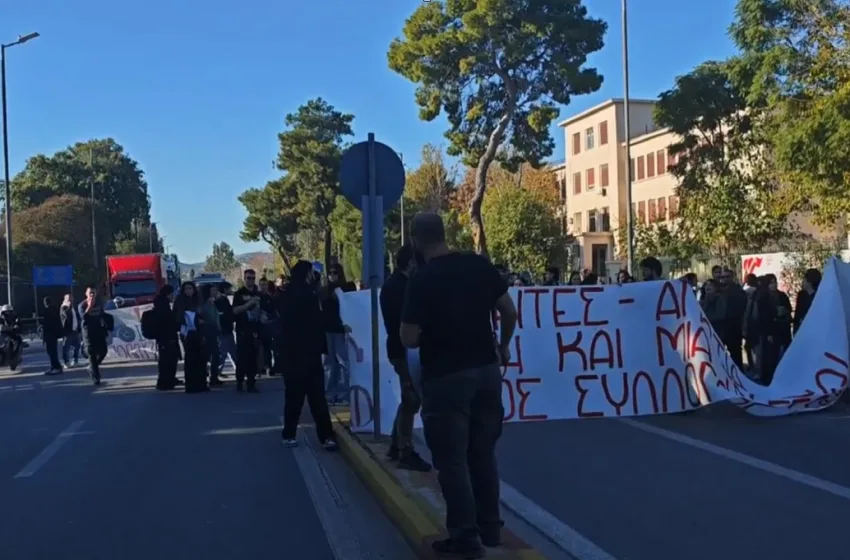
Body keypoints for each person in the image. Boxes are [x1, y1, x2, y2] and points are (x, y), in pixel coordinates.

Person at [401, 212, 518, 558]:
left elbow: (409, 338)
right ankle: (491, 529)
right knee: (483, 454)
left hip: (446, 378)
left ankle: (466, 539)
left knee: (452, 462)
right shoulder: (478, 266)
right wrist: (503, 346)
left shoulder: (421, 281)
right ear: (445, 234)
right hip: (486, 371)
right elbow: (509, 312)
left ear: (416, 243)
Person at [380, 244, 431, 472]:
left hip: (399, 349)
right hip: (403, 350)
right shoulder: (401, 288)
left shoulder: (394, 285)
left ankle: (396, 444)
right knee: (411, 399)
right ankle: (405, 450)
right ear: (411, 264)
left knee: (409, 397)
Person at [279, 260, 337, 450]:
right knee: (317, 398)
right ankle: (326, 436)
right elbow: (318, 320)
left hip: (291, 354)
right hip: (309, 353)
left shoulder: (287, 293)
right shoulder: (310, 294)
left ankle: (289, 434)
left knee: (294, 396)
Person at [320, 263, 356, 404]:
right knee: (329, 364)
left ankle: (344, 394)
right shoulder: (323, 291)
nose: (332, 275)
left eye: (335, 273)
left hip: (342, 330)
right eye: (330, 273)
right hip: (328, 330)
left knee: (344, 363)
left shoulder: (347, 288)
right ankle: (330, 394)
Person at [231, 269, 266, 392]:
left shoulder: (258, 293)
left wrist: (263, 316)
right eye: (248, 278)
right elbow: (234, 310)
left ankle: (251, 382)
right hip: (242, 329)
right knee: (242, 357)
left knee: (253, 357)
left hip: (255, 329)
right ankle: (239, 381)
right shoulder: (239, 293)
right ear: (244, 279)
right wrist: (248, 304)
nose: (250, 280)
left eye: (252, 277)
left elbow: (263, 308)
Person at [174, 281, 208, 394]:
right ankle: (191, 385)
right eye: (186, 289)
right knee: (190, 359)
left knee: (201, 359)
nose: (189, 291)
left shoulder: (198, 300)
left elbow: (203, 314)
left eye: (190, 288)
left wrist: (200, 319)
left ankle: (202, 383)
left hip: (199, 332)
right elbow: (177, 317)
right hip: (187, 334)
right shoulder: (180, 301)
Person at [79, 286, 112, 385]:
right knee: (92, 354)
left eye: (93, 293)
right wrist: (89, 306)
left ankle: (92, 367)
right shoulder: (82, 305)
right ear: (86, 294)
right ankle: (95, 377)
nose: (92, 295)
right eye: (90, 293)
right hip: (88, 332)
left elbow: (102, 315)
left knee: (103, 351)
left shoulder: (99, 304)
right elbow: (84, 318)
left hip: (98, 330)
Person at [152, 285, 181, 391]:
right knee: (167, 360)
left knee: (167, 360)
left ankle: (168, 380)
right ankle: (165, 382)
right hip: (166, 337)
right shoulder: (162, 306)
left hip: (165, 337)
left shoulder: (161, 303)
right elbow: (167, 322)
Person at [199, 284, 223, 386]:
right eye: (212, 290)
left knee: (211, 355)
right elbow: (209, 318)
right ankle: (212, 377)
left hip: (213, 331)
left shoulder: (211, 303)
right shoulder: (205, 304)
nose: (215, 291)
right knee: (214, 355)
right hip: (209, 332)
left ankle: (210, 376)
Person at [214, 284, 237, 374]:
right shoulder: (219, 301)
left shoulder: (224, 300)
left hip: (228, 329)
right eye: (229, 289)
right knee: (223, 352)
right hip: (222, 330)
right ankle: (216, 372)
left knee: (232, 351)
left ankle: (238, 369)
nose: (230, 291)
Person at [793, 268, 821, 334]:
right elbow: (797, 313)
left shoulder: (819, 296)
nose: (803, 282)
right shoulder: (801, 295)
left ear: (809, 281)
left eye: (804, 279)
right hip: (801, 329)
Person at [42, 297, 64, 375]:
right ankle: (54, 366)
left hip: (49, 334)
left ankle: (56, 367)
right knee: (53, 351)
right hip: (55, 334)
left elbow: (46, 325)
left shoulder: (47, 311)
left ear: (45, 303)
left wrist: (44, 337)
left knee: (51, 351)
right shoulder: (55, 309)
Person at [60, 294, 82, 368]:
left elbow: (77, 317)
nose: (71, 301)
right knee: (66, 347)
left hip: (75, 330)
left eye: (72, 299)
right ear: (65, 300)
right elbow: (65, 314)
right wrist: (68, 305)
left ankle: (75, 361)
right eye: (69, 299)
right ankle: (66, 362)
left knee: (77, 346)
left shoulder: (74, 308)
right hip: (68, 331)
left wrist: (79, 328)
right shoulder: (63, 307)